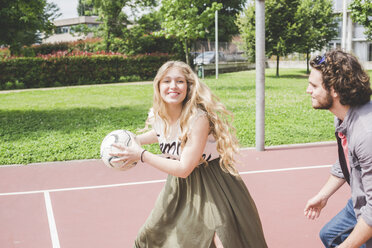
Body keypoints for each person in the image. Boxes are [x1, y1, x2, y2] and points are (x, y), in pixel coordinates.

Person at [111, 61, 267, 248]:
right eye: (167, 81)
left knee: (222, 236)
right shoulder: (158, 114)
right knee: (154, 233)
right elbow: (165, 132)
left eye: (180, 81)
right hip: (178, 185)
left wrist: (142, 155)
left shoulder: (198, 119)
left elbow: (184, 168)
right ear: (158, 85)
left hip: (211, 181)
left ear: (188, 86)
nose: (173, 86)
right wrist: (136, 140)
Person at [304, 50, 372, 248]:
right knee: (330, 235)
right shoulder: (343, 115)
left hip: (369, 204)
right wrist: (322, 196)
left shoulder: (366, 134)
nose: (308, 90)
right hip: (361, 199)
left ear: (334, 89)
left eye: (314, 85)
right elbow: (348, 158)